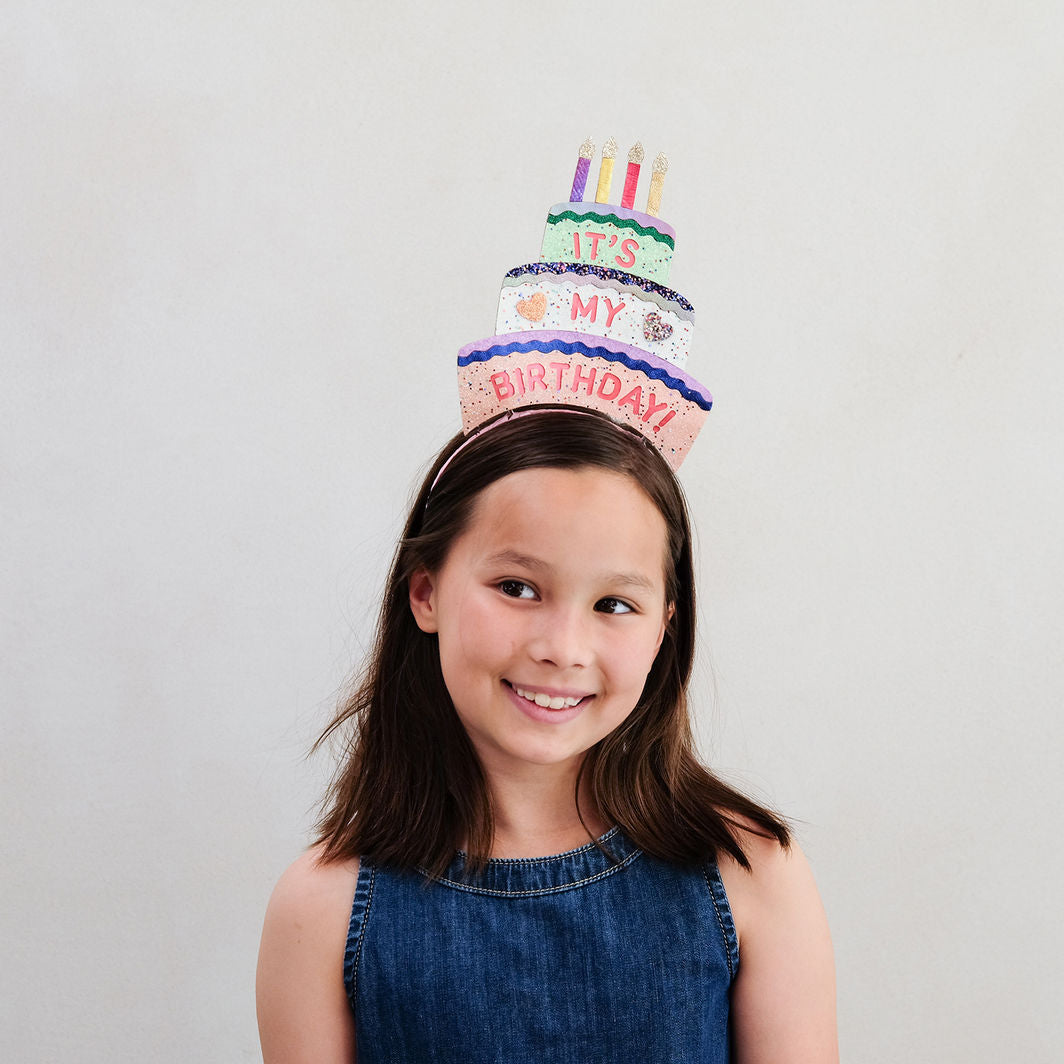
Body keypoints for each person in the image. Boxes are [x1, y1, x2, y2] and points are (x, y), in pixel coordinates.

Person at [256, 409, 838, 1063]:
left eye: (614, 605)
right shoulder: (320, 912)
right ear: (425, 593)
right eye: (517, 587)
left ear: (663, 628)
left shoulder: (749, 873)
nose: (563, 649)